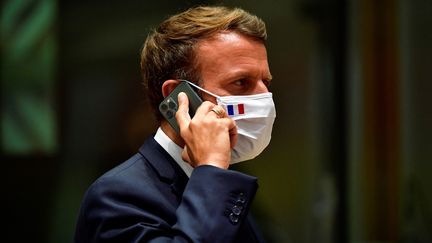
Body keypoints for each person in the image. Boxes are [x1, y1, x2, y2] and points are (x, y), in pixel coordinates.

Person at [74, 5, 276, 243]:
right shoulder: (117, 197)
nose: (263, 97)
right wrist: (210, 171)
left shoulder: (228, 181)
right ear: (180, 97)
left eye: (265, 82)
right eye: (241, 82)